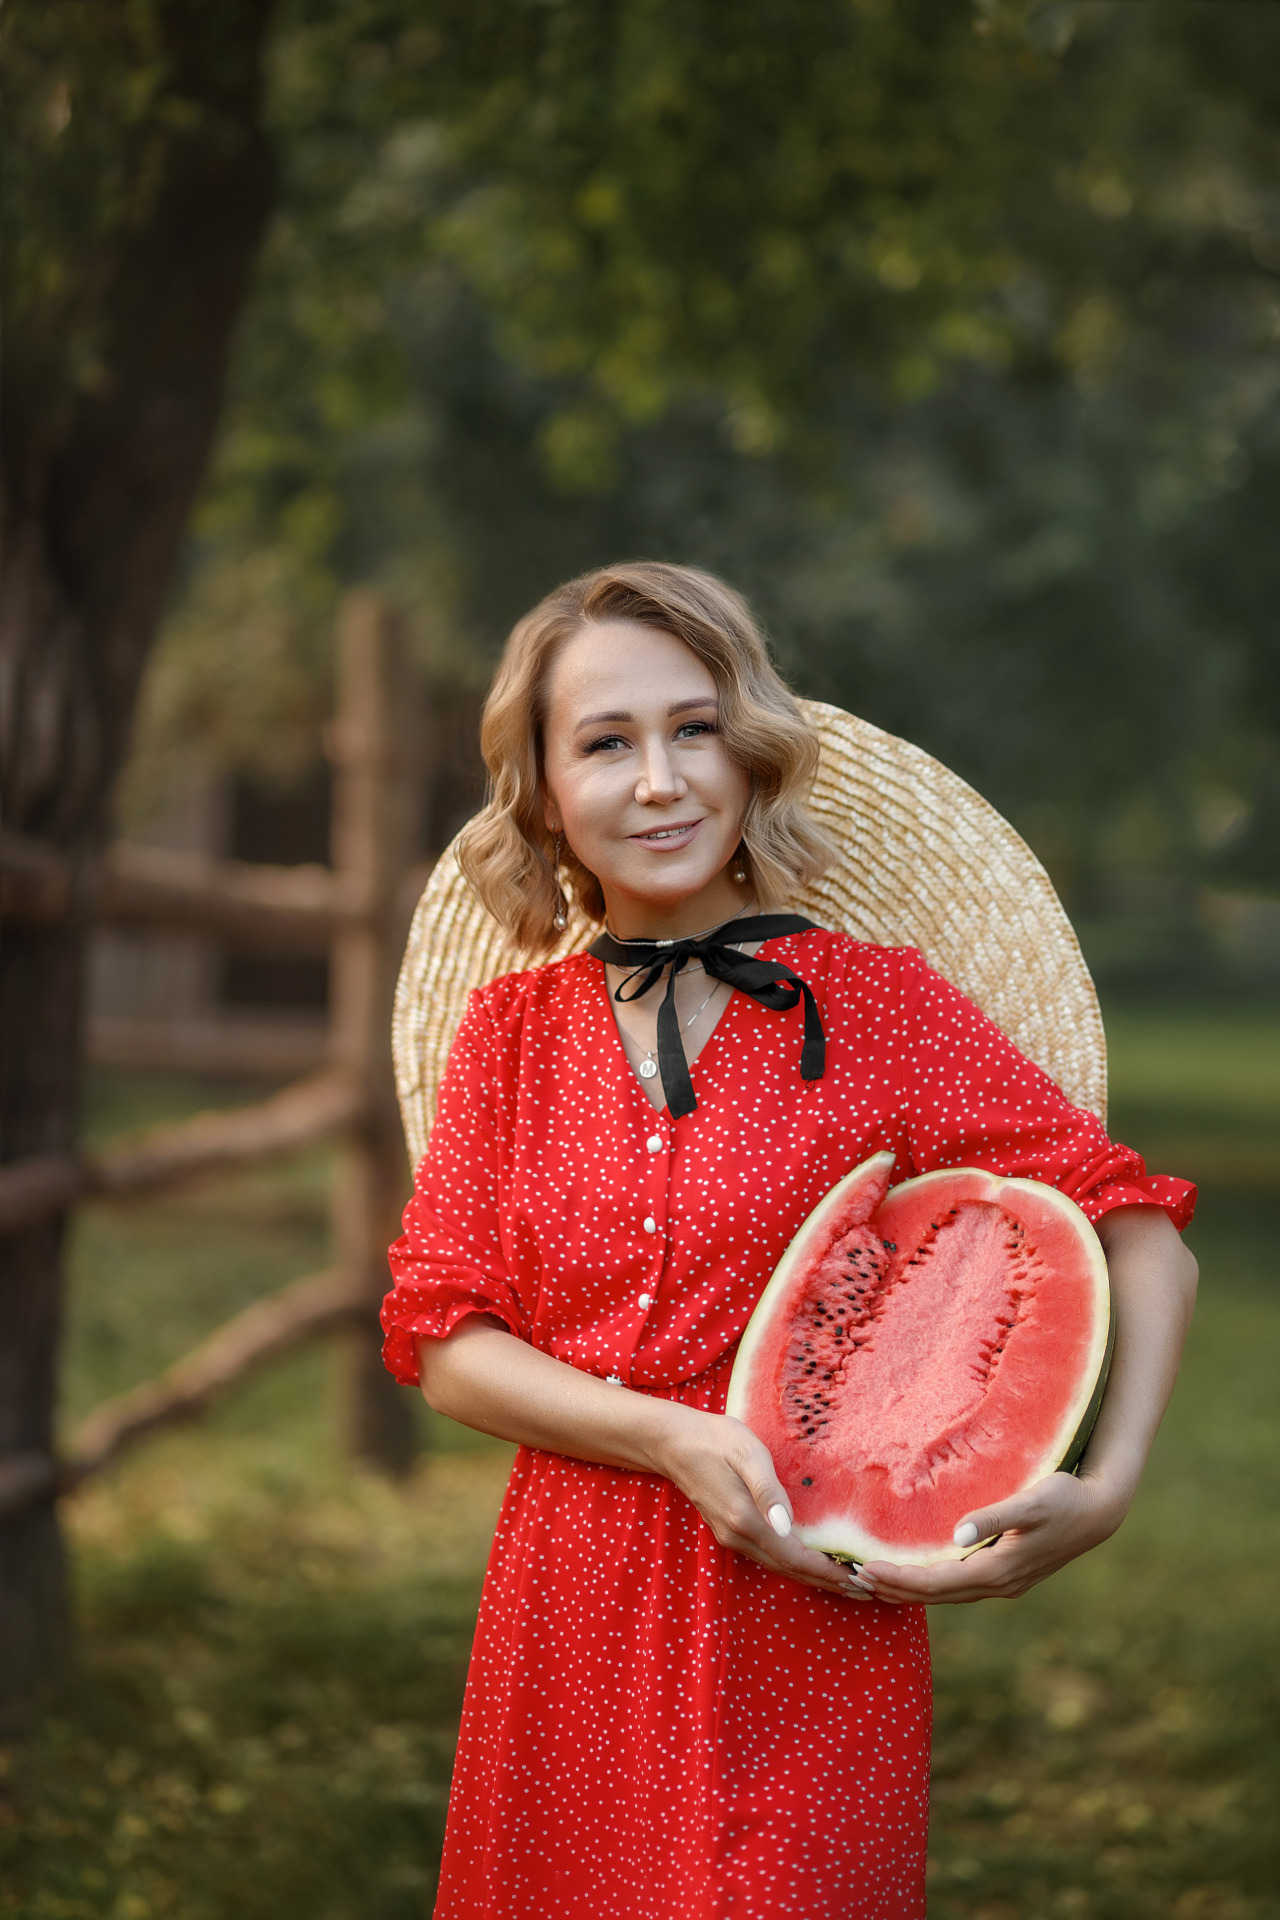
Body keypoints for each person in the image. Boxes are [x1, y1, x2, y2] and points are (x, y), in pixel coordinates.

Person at [380, 561, 1198, 1920]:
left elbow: (1137, 1222)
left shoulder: (882, 1010)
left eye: (694, 728)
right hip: (568, 1612)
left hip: (816, 1613)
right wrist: (666, 1437)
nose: (660, 781)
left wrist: (1108, 1485)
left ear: (751, 754)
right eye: (606, 743)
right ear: (545, 796)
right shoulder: (510, 1040)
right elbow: (442, 1340)